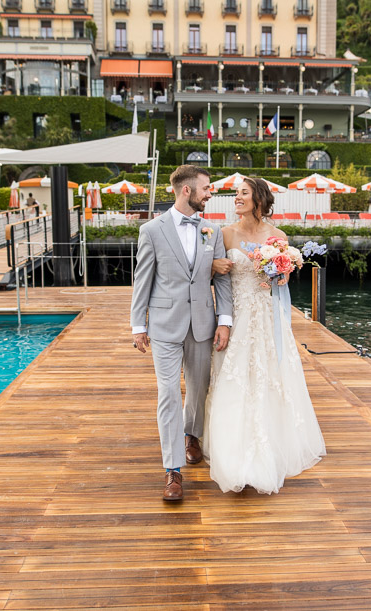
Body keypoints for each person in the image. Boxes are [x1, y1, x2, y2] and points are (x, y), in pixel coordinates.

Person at [203, 178, 326, 494]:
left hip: (269, 317)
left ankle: (273, 444)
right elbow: (215, 275)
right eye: (236, 194)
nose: (237, 198)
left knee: (271, 376)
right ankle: (231, 447)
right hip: (238, 316)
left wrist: (280, 273)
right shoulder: (225, 233)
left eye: (243, 193)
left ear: (259, 199)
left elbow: (280, 283)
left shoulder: (278, 237)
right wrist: (213, 266)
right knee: (235, 378)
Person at [130, 165, 234, 501]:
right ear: (187, 191)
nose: (210, 193)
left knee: (199, 388)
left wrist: (225, 320)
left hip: (203, 323)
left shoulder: (211, 231)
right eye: (206, 188)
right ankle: (172, 470)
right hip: (164, 325)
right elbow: (142, 279)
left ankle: (192, 435)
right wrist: (138, 325)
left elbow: (221, 279)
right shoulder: (152, 230)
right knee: (168, 393)